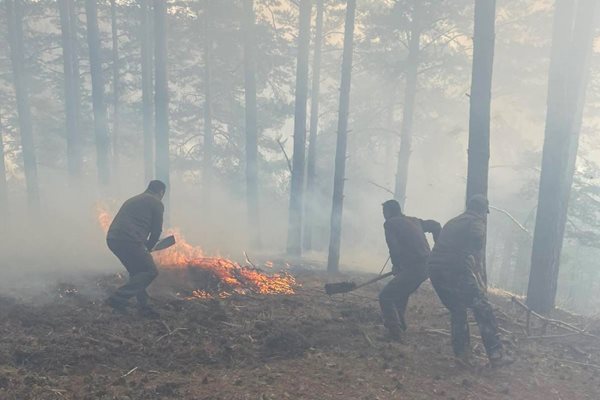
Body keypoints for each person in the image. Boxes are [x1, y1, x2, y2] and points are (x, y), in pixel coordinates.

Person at [428, 195, 511, 367]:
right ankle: (496, 354)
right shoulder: (476, 222)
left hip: (435, 271)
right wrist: (478, 276)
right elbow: (476, 247)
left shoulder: (453, 222)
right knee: (482, 307)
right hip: (454, 270)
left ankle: (462, 356)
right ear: (482, 210)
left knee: (458, 310)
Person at [379, 199, 441, 340]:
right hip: (426, 266)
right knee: (401, 292)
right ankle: (400, 325)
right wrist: (438, 248)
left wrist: (396, 265)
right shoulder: (414, 220)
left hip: (415, 267)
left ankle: (394, 333)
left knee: (385, 296)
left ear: (389, 212)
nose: (383, 215)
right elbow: (436, 225)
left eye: (384, 212)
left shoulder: (390, 224)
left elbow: (393, 247)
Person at [105, 180, 166, 317]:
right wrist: (149, 247)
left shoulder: (132, 200)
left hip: (113, 239)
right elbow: (156, 231)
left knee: (137, 272)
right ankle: (117, 298)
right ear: (161, 192)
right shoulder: (156, 202)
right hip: (129, 240)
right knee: (150, 271)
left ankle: (143, 306)